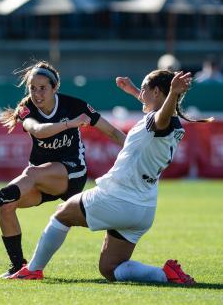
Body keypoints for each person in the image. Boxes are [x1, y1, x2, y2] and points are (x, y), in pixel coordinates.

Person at [14, 70, 212, 284]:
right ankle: (165, 275)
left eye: (144, 88)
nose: (141, 92)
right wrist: (134, 91)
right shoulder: (173, 124)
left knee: (62, 214)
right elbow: (157, 108)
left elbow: (161, 115)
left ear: (157, 92)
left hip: (119, 198)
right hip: (143, 208)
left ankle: (32, 270)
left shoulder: (161, 120)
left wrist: (173, 93)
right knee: (110, 268)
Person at [0, 61, 126, 279]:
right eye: (32, 88)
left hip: (72, 173)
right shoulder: (26, 108)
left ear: (55, 88)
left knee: (29, 176)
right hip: (41, 178)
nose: (36, 93)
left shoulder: (75, 105)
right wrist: (69, 124)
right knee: (7, 208)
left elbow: (112, 132)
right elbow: (37, 130)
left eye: (42, 88)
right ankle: (18, 266)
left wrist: (137, 151)